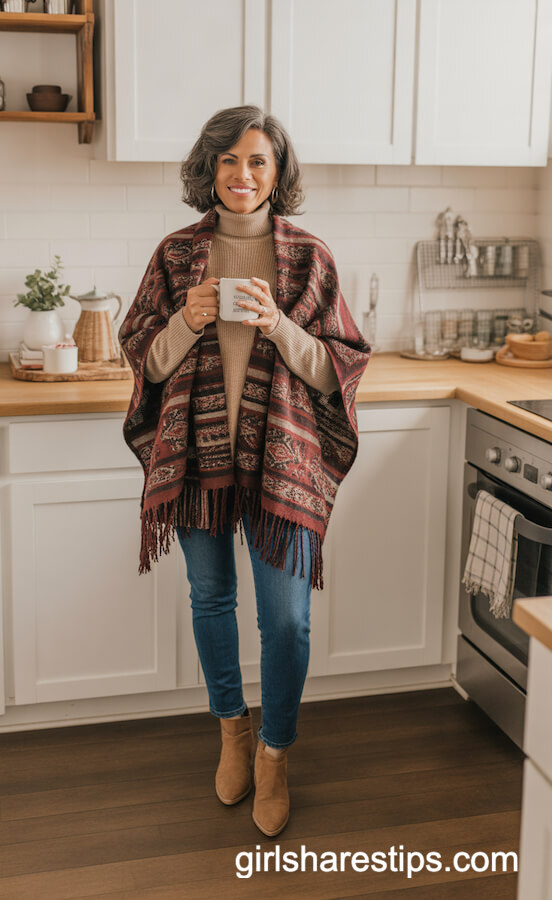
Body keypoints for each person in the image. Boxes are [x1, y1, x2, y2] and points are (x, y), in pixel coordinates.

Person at [119, 105, 371, 837]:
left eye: (258, 160)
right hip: (195, 460)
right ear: (209, 167)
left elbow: (338, 370)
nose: (242, 174)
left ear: (278, 172)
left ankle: (274, 752)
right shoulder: (175, 256)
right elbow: (145, 363)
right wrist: (188, 320)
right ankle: (231, 729)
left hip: (281, 464)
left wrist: (280, 326)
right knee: (210, 598)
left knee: (287, 621)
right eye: (229, 160)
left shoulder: (310, 259)